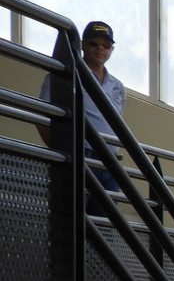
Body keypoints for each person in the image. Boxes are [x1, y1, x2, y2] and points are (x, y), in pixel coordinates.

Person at [37, 19, 125, 189]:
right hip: (80, 154)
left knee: (107, 207)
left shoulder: (118, 87)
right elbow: (41, 117)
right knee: (76, 203)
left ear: (112, 50)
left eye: (106, 45)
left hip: (110, 161)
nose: (100, 48)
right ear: (83, 45)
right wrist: (63, 149)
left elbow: (116, 123)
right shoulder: (64, 74)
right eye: (94, 43)